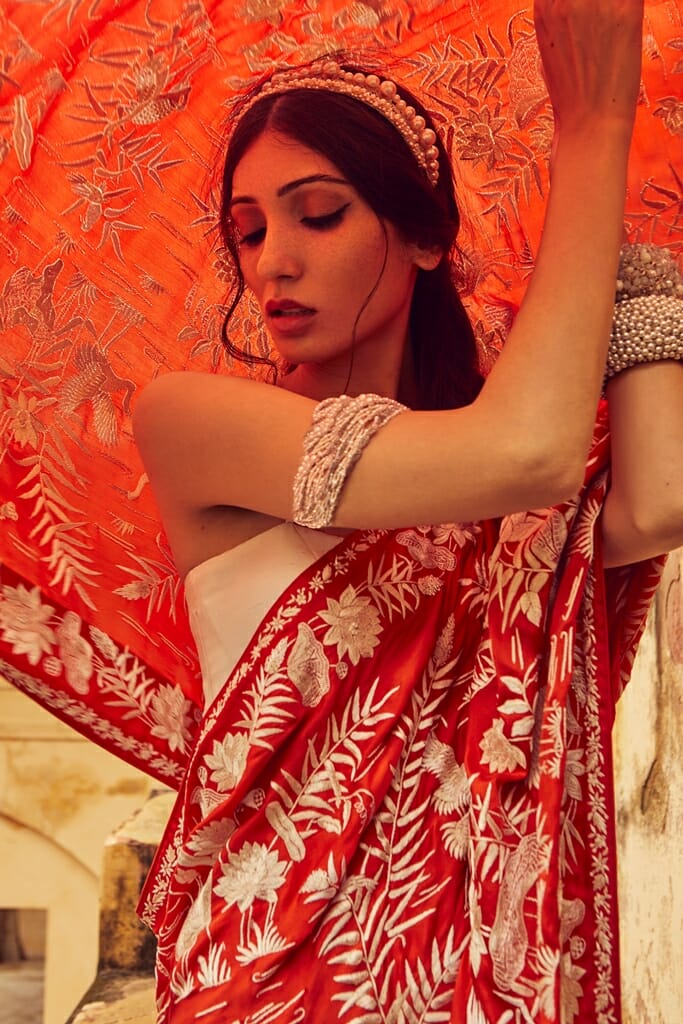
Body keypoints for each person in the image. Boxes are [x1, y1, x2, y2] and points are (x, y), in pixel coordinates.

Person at [2, 0, 682, 1021]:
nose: (271, 260)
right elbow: (530, 454)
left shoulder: (488, 508)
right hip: (275, 978)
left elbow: (659, 502)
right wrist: (593, 126)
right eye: (247, 230)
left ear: (422, 238)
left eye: (317, 215)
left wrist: (631, 246)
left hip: (455, 986)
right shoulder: (196, 423)